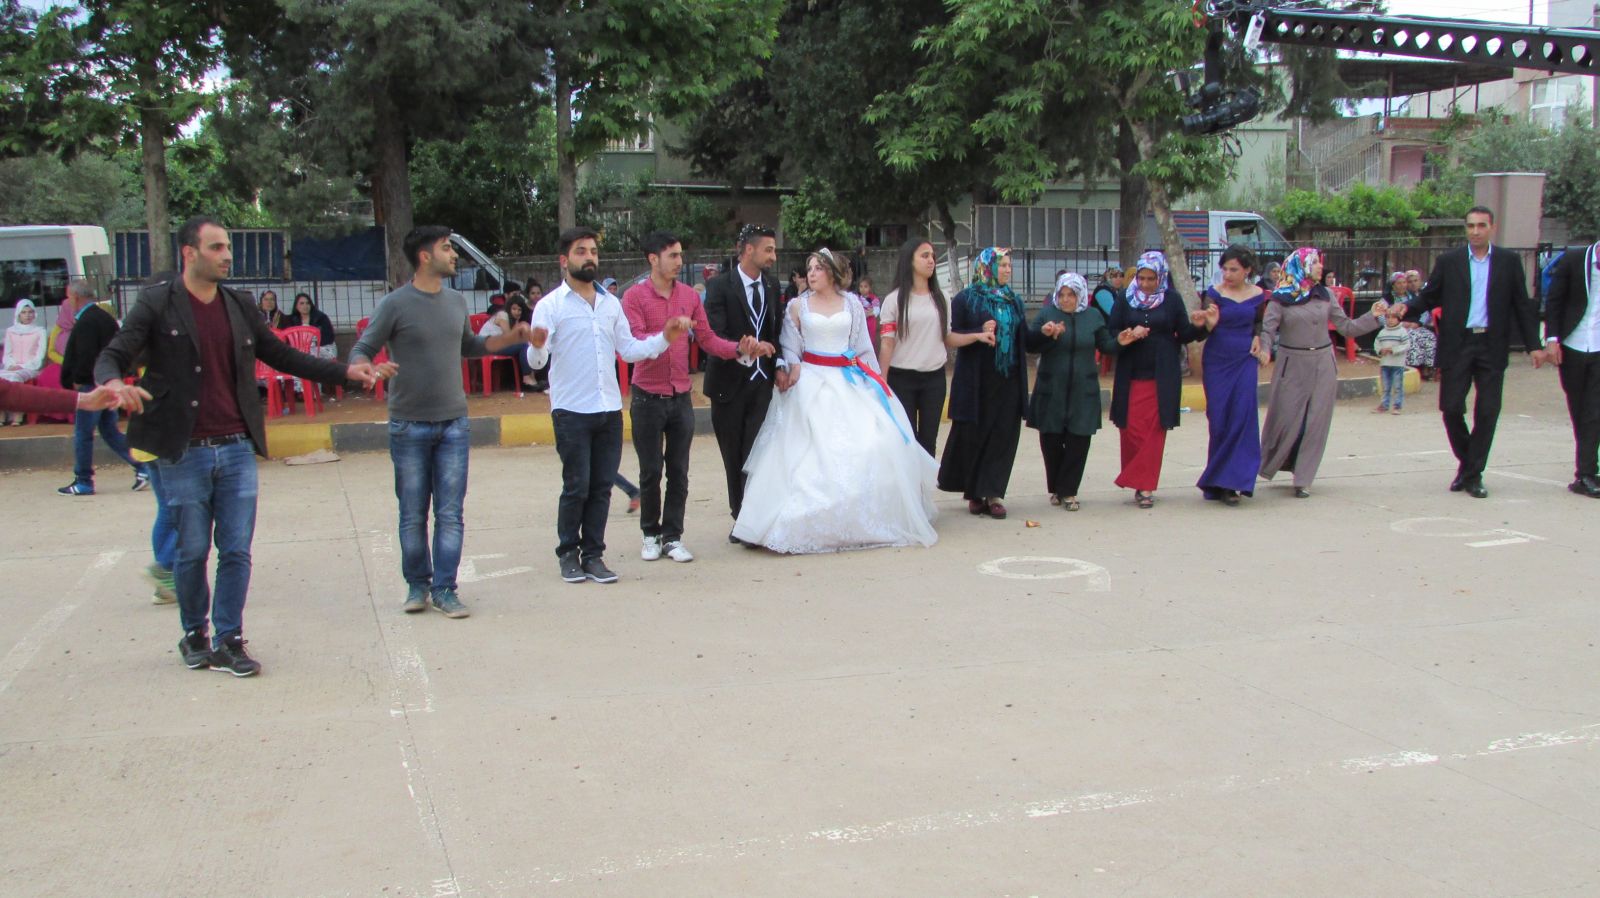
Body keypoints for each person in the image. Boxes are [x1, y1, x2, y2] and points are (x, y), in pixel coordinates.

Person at [96, 216, 389, 677]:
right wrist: (113, 381)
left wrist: (344, 373)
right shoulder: (157, 303)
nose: (227, 256)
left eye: (227, 247)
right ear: (189, 253)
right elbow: (114, 352)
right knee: (192, 550)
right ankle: (195, 634)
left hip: (235, 445)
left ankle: (229, 638)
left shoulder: (239, 304)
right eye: (217, 248)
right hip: (184, 447)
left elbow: (281, 354)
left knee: (236, 550)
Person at [351, 225, 528, 619]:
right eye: (447, 248)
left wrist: (512, 337)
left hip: (453, 423)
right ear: (425, 257)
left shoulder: (455, 302)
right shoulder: (395, 304)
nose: (454, 255)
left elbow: (470, 346)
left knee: (450, 512)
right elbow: (362, 349)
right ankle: (418, 585)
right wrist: (366, 368)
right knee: (412, 512)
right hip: (408, 424)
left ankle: (445, 589)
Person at [733, 248, 937, 552]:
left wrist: (876, 380)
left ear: (831, 272)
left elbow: (862, 346)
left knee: (873, 442)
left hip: (848, 379)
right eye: (809, 269)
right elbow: (789, 345)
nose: (811, 274)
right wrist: (793, 364)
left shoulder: (852, 304)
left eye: (817, 268)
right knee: (809, 451)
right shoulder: (797, 306)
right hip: (811, 380)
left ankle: (862, 519)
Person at [526, 227, 689, 584]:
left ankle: (594, 556)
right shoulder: (550, 306)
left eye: (594, 252)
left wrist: (664, 338)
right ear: (564, 260)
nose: (589, 258)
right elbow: (538, 363)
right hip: (570, 411)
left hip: (608, 410)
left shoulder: (610, 304)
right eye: (581, 251)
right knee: (577, 485)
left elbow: (628, 350)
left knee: (601, 487)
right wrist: (537, 346)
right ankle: (568, 554)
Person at [1393, 208, 1544, 498]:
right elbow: (1430, 294)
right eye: (1471, 226)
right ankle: (1468, 462)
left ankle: (1473, 475)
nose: (1475, 231)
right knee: (1450, 408)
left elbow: (1521, 304)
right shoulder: (1450, 262)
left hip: (1491, 343)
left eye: (1481, 226)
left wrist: (1534, 346)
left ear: (1492, 227)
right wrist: (1407, 308)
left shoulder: (1508, 262)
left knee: (1488, 411)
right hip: (1457, 344)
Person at [622, 230, 752, 564]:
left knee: (679, 471)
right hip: (647, 396)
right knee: (650, 471)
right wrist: (666, 334)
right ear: (654, 259)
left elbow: (707, 339)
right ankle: (650, 533)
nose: (680, 262)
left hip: (681, 396)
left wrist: (738, 348)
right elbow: (634, 346)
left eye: (680, 255)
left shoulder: (690, 296)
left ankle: (672, 536)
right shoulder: (634, 298)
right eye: (673, 256)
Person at [1258, 247, 1387, 498]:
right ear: (1300, 266)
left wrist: (1373, 316)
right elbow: (1268, 330)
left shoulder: (1326, 294)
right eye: (1315, 262)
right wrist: (1264, 351)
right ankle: (1273, 461)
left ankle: (1303, 479)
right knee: (1286, 418)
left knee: (1317, 420)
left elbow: (1346, 328)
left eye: (1319, 262)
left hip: (1323, 362)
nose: (1320, 267)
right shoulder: (1280, 299)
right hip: (1291, 363)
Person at [703, 224, 784, 540]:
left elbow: (774, 332)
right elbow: (715, 333)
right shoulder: (720, 286)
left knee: (758, 451)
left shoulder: (773, 286)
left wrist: (777, 365)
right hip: (728, 383)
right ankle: (740, 517)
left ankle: (753, 517)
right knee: (733, 454)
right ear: (748, 249)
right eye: (768, 249)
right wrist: (745, 347)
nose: (773, 257)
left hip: (761, 384)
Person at [1026, 272, 1131, 511]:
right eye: (1061, 295)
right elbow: (1030, 344)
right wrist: (1047, 334)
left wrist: (1120, 342)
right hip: (1051, 388)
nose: (1065, 300)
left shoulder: (1092, 316)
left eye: (1070, 295)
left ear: (1080, 295)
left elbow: (1104, 344)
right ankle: (1056, 488)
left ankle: (1069, 492)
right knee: (1051, 440)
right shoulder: (1047, 314)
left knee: (1078, 441)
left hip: (1083, 390)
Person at [1107, 251, 1201, 509]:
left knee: (1154, 431)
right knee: (1131, 429)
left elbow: (1183, 333)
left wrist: (1202, 326)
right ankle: (1138, 478)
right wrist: (1126, 334)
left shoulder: (1172, 299)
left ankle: (1145, 485)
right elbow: (1112, 330)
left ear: (1161, 277)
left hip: (1162, 374)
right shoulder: (1125, 299)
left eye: (1152, 278)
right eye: (1142, 277)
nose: (1146, 284)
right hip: (1132, 372)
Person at [938, 247, 1023, 518]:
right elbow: (952, 336)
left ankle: (994, 493)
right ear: (987, 267)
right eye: (1003, 265)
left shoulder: (1014, 301)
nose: (1008, 269)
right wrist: (979, 333)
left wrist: (1047, 334)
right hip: (976, 380)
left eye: (1010, 265)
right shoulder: (965, 299)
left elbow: (1025, 337)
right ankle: (974, 492)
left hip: (1007, 378)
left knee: (1003, 436)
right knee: (975, 435)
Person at [57, 281, 150, 496]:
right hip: (106, 380)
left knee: (83, 432)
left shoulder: (88, 321)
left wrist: (79, 379)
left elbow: (87, 355)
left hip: (91, 384)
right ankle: (141, 465)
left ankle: (83, 480)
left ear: (74, 298)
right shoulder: (104, 318)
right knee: (109, 430)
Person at [1193, 245, 1268, 506]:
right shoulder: (1213, 294)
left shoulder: (1259, 295)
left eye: (1234, 269)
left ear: (1247, 270)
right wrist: (1208, 325)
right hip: (1217, 361)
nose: (1227, 274)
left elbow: (1258, 323)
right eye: (1224, 268)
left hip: (1244, 360)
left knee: (1242, 416)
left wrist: (1258, 338)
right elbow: (1201, 331)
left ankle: (1234, 481)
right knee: (1219, 418)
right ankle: (1216, 480)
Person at [879, 239, 953, 456]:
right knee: (907, 439)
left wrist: (978, 335)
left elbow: (948, 336)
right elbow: (887, 342)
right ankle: (909, 488)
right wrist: (882, 381)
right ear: (909, 261)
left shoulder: (942, 298)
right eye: (924, 255)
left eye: (932, 255)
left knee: (929, 440)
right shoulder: (894, 300)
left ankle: (924, 488)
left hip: (934, 379)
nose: (931, 260)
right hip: (902, 379)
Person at [1539, 239, 1600, 497]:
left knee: (1594, 411)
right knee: (1579, 409)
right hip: (1573, 346)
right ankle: (1585, 470)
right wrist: (1552, 339)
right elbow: (1554, 300)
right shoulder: (1575, 259)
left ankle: (1586, 473)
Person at [477, 293, 539, 389]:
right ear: (508, 308)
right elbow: (509, 337)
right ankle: (527, 378)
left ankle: (532, 378)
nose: (516, 312)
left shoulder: (513, 320)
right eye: (514, 309)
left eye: (519, 310)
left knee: (528, 346)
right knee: (523, 345)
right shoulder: (503, 315)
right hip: (486, 344)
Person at [1, 298, 47, 425]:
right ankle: (2, 414)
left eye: (30, 312)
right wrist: (11, 365)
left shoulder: (40, 331)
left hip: (30, 367)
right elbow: (7, 353)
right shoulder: (10, 331)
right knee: (3, 377)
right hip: (11, 367)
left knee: (15, 378)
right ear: (18, 314)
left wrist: (21, 366)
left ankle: (17, 414)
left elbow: (40, 356)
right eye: (24, 312)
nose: (27, 315)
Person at [1374, 305, 1409, 414]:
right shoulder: (1383, 332)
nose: (1390, 320)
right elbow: (1377, 343)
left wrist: (1394, 350)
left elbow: (1406, 345)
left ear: (1398, 319)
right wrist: (1380, 351)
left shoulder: (1402, 332)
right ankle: (1384, 405)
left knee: (1398, 386)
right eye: (1388, 317)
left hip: (1397, 363)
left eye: (1393, 317)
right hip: (1385, 363)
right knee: (1386, 386)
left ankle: (1397, 406)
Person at [287, 292, 337, 357]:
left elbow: (329, 337)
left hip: (323, 348)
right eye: (302, 303)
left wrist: (311, 344)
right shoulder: (292, 320)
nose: (305, 306)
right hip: (301, 350)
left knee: (307, 354)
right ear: (296, 306)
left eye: (308, 303)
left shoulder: (321, 318)